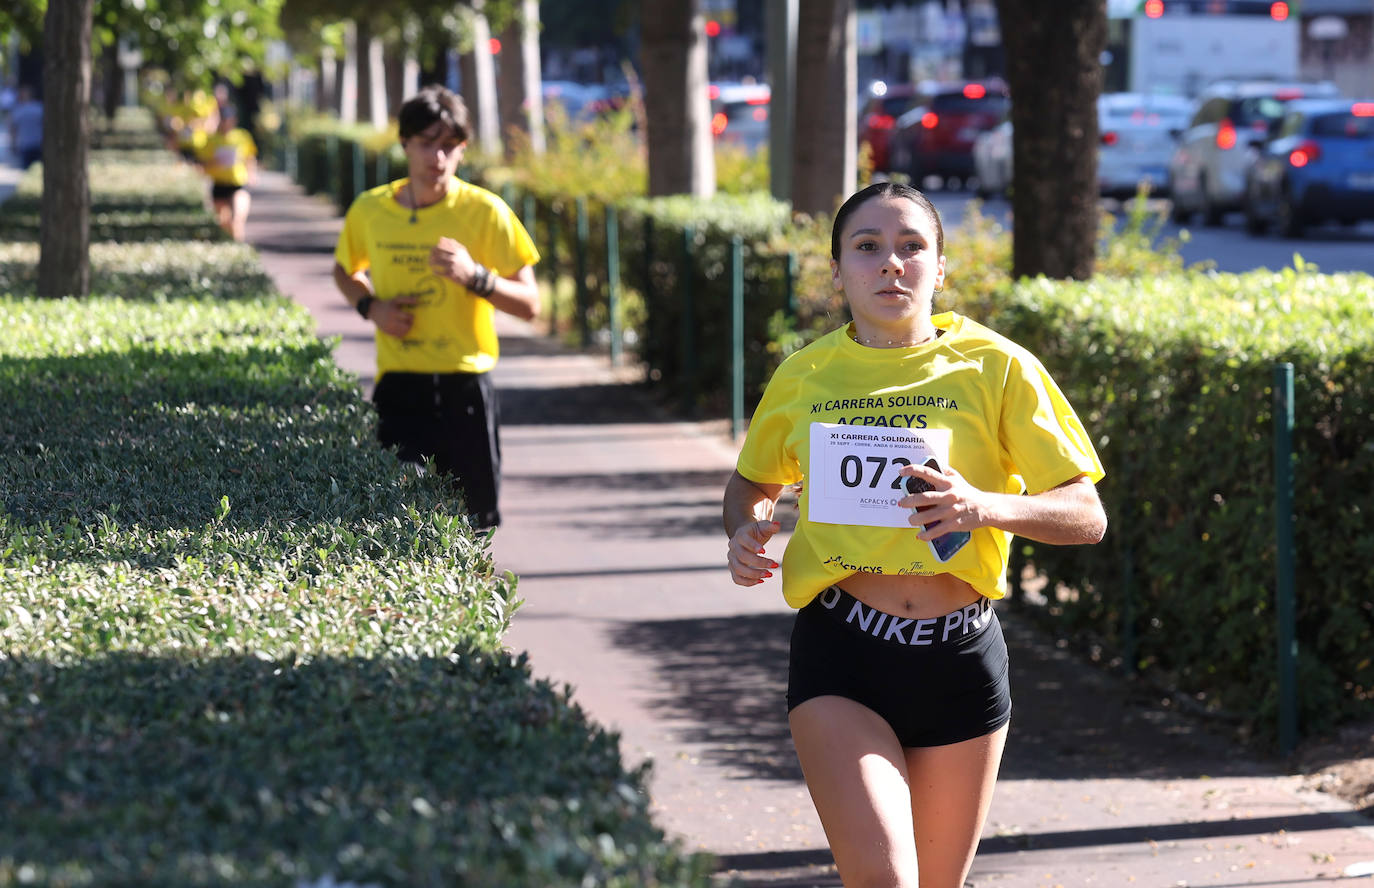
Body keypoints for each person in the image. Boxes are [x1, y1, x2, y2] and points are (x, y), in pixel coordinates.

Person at [723, 181, 1107, 887]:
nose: (891, 264)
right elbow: (752, 484)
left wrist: (983, 507)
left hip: (961, 659)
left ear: (940, 266)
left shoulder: (997, 366)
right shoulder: (805, 374)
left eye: (911, 247)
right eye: (867, 248)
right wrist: (748, 530)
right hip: (843, 655)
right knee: (886, 881)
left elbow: (1086, 514)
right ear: (837, 271)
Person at [333, 85, 540, 530]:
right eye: (427, 144)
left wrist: (475, 276)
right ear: (404, 143)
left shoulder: (486, 212)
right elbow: (344, 270)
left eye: (449, 146)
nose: (438, 158)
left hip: (465, 390)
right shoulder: (370, 210)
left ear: (463, 150)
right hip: (398, 390)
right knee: (390, 523)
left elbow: (531, 305)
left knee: (473, 529)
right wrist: (372, 308)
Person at [196, 105, 257, 242]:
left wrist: (252, 174)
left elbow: (250, 157)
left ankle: (239, 249)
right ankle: (230, 247)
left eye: (229, 119)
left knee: (237, 220)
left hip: (238, 184)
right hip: (219, 185)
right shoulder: (211, 140)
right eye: (224, 120)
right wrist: (214, 163)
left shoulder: (242, 137)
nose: (226, 123)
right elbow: (201, 165)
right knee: (224, 223)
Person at [9, 85, 43, 169]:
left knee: (27, 172)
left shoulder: (19, 110)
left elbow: (13, 129)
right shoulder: (40, 108)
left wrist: (13, 144)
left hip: (26, 145)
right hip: (37, 144)